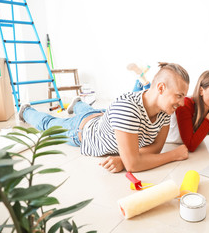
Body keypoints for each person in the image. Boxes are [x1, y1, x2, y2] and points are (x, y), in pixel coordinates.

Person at [19, 62, 190, 173]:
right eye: (179, 96)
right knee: (49, 124)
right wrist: (174, 155)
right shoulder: (128, 108)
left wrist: (125, 160)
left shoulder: (165, 111)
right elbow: (134, 165)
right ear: (160, 88)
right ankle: (26, 110)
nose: (182, 103)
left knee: (90, 111)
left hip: (101, 117)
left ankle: (77, 103)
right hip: (81, 130)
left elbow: (156, 148)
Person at [166, 70, 209, 151]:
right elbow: (190, 146)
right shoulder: (185, 105)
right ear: (201, 91)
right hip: (170, 147)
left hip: (191, 150)